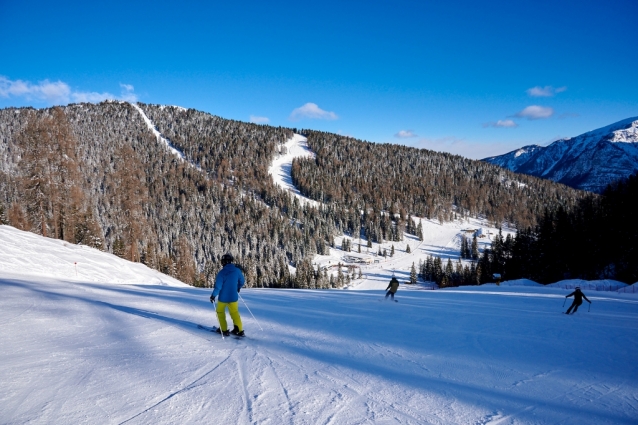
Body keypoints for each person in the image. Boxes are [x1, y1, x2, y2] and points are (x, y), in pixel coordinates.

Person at [210, 252, 245, 336]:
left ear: (224, 262)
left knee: (220, 312)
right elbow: (242, 281)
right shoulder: (237, 270)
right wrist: (237, 288)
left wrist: (213, 296)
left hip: (223, 298)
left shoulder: (221, 273)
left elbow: (218, 287)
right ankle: (239, 330)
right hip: (234, 297)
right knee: (235, 313)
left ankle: (224, 329)